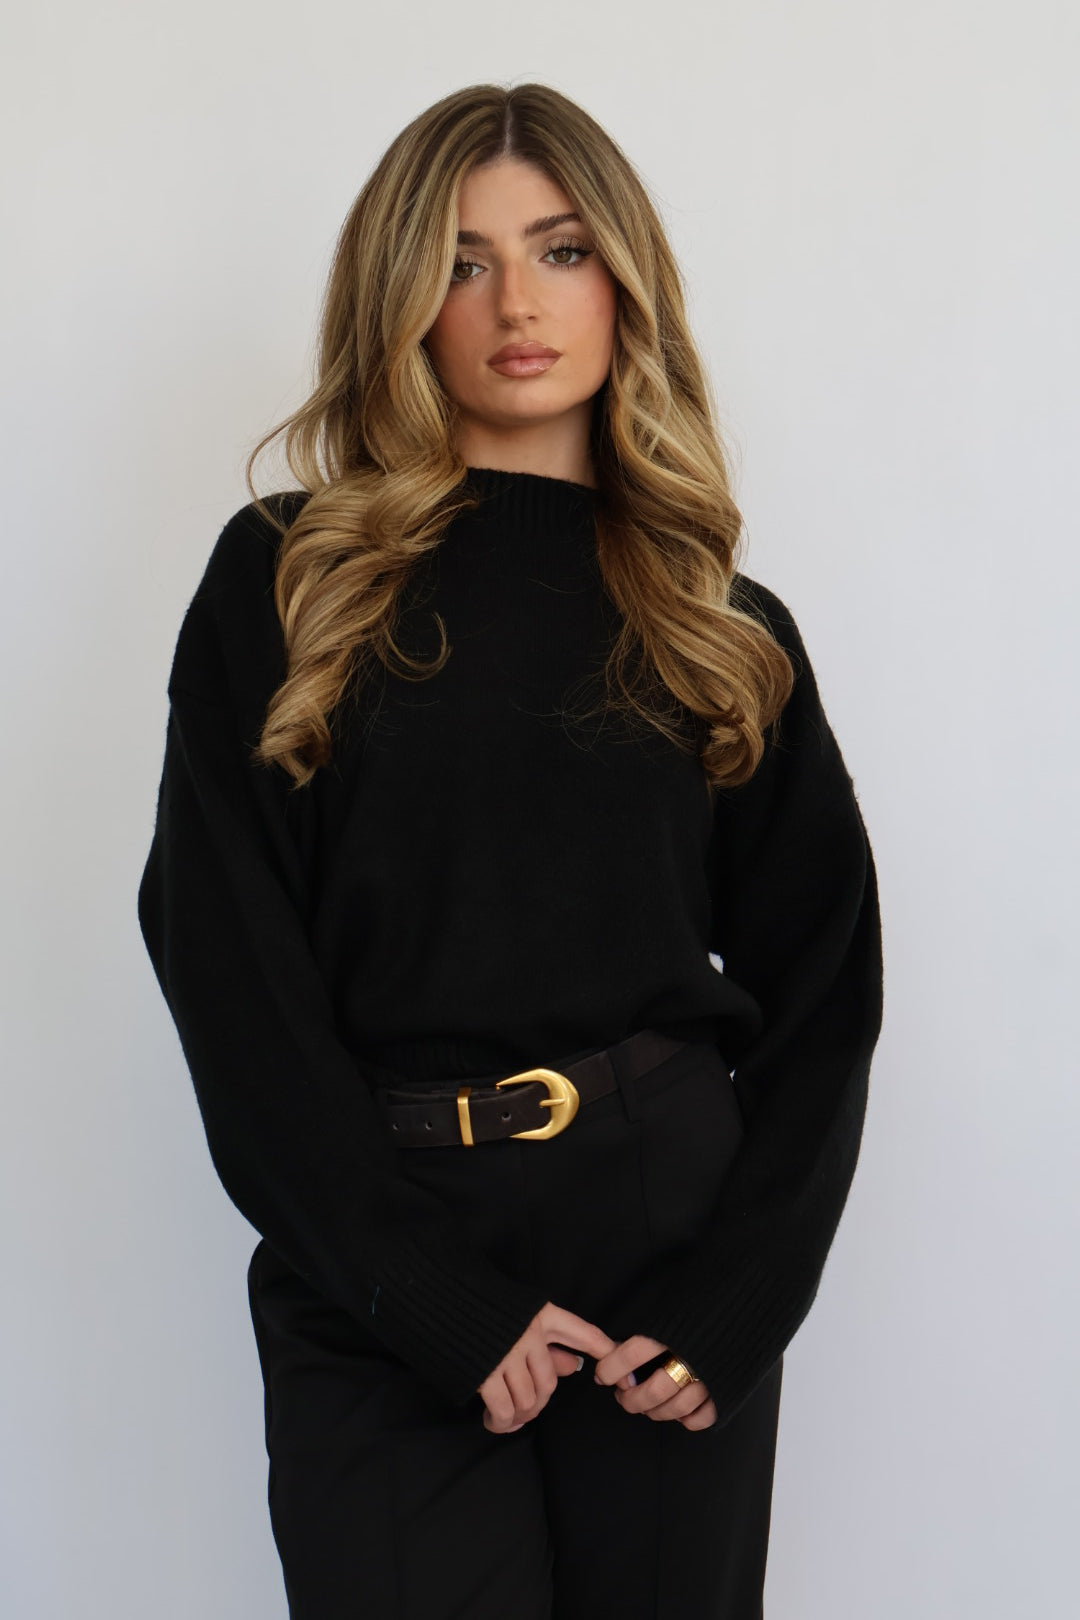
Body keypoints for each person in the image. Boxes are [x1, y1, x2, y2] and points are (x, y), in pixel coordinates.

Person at [137, 81, 883, 1620]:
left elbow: (827, 991)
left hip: (664, 1253)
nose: (517, 304)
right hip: (380, 1247)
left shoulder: (719, 626)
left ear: (625, 282)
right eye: (461, 262)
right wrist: (420, 1293)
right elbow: (228, 967)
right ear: (400, 299)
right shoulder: (291, 580)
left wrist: (737, 1304)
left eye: (560, 249)